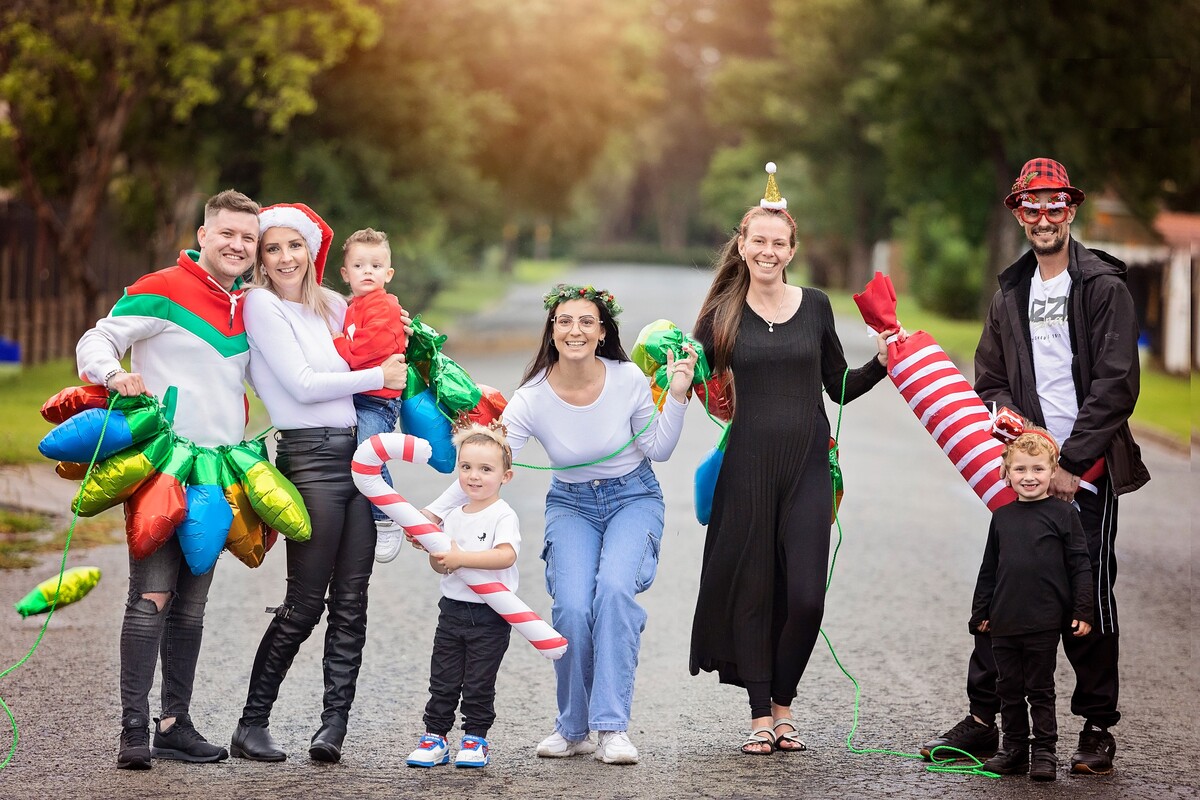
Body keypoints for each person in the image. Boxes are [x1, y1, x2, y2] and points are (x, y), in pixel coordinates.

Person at [921, 157, 1150, 775]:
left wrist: (1071, 463)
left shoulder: (1102, 287)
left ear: (1071, 210)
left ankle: (1096, 727)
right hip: (1029, 473)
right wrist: (1024, 445)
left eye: (1055, 205)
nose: (1044, 217)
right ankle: (984, 719)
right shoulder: (1010, 294)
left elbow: (1117, 383)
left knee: (1087, 594)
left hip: (1088, 474)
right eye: (1032, 206)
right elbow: (990, 381)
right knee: (1006, 587)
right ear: (1018, 214)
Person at [423, 283, 698, 765]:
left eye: (587, 321)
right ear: (552, 331)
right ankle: (573, 728)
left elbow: (659, 450)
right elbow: (490, 462)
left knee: (613, 592)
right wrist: (435, 512)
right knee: (571, 607)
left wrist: (676, 396)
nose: (576, 330)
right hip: (571, 503)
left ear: (602, 331)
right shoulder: (532, 396)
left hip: (633, 496)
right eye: (565, 321)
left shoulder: (628, 379)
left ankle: (611, 727)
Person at [688, 164, 898, 755]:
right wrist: (673, 379)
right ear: (742, 245)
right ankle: (763, 716)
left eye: (779, 243)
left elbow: (838, 387)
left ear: (792, 250)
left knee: (806, 596)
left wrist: (883, 364)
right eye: (759, 241)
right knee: (755, 591)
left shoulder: (816, 307)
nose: (768, 251)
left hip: (808, 467)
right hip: (747, 470)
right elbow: (692, 380)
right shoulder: (720, 316)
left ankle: (785, 701)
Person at [76, 189, 261, 769]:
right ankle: (133, 729)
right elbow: (98, 338)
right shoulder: (162, 288)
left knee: (192, 607)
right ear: (203, 235)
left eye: (248, 237)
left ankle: (174, 726)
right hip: (163, 468)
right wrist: (113, 375)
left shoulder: (248, 307)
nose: (237, 245)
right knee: (152, 597)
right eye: (226, 233)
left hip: (219, 472)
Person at [229, 203, 407, 764]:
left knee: (352, 603)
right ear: (261, 259)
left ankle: (333, 727)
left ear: (310, 252)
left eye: (294, 246)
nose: (285, 258)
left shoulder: (331, 304)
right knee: (305, 603)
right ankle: (251, 724)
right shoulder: (261, 305)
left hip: (361, 455)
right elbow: (304, 385)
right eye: (272, 249)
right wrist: (379, 374)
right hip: (310, 459)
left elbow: (377, 332)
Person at [970, 427, 1093, 782]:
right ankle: (1013, 751)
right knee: (1008, 690)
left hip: (1043, 621)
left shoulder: (1064, 514)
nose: (1029, 477)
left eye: (1038, 469)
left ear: (1053, 471)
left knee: (1039, 690)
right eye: (1020, 469)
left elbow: (1080, 565)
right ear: (1006, 473)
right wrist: (981, 612)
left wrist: (1082, 610)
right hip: (1004, 620)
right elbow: (989, 569)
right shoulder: (1002, 517)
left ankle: (1044, 752)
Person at [405, 423, 520, 770]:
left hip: (490, 614)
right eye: (466, 467)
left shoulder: (503, 515)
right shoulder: (453, 516)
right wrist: (434, 551)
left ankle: (475, 739)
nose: (474, 476)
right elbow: (441, 566)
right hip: (452, 611)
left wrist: (462, 558)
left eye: (485, 469)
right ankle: (435, 737)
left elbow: (505, 555)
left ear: (505, 476)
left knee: (478, 683)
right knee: (442, 680)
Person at [329, 227, 408, 563]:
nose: (367, 272)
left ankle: (388, 518)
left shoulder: (384, 306)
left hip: (378, 399)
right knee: (354, 456)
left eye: (376, 266)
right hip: (359, 394)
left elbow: (361, 353)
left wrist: (336, 342)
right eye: (359, 266)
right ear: (345, 273)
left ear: (388, 274)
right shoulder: (353, 305)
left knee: (370, 454)